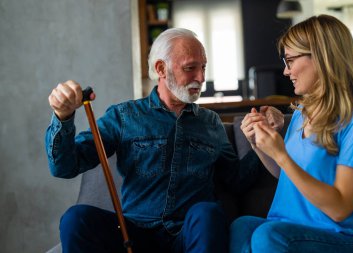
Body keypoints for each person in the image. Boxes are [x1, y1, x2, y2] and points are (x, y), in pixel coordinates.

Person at [45, 28, 284, 253]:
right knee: (75, 219)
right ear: (161, 68)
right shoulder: (124, 116)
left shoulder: (210, 122)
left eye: (203, 67)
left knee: (207, 212)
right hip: (134, 234)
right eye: (191, 68)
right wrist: (63, 117)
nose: (201, 77)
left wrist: (263, 137)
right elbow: (65, 166)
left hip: (189, 234)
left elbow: (236, 181)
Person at [230, 14, 353, 253]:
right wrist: (258, 143)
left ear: (321, 58)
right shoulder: (303, 114)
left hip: (342, 238)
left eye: (290, 61)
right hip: (293, 230)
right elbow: (290, 177)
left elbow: (340, 208)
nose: (286, 71)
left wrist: (281, 154)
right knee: (243, 226)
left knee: (270, 236)